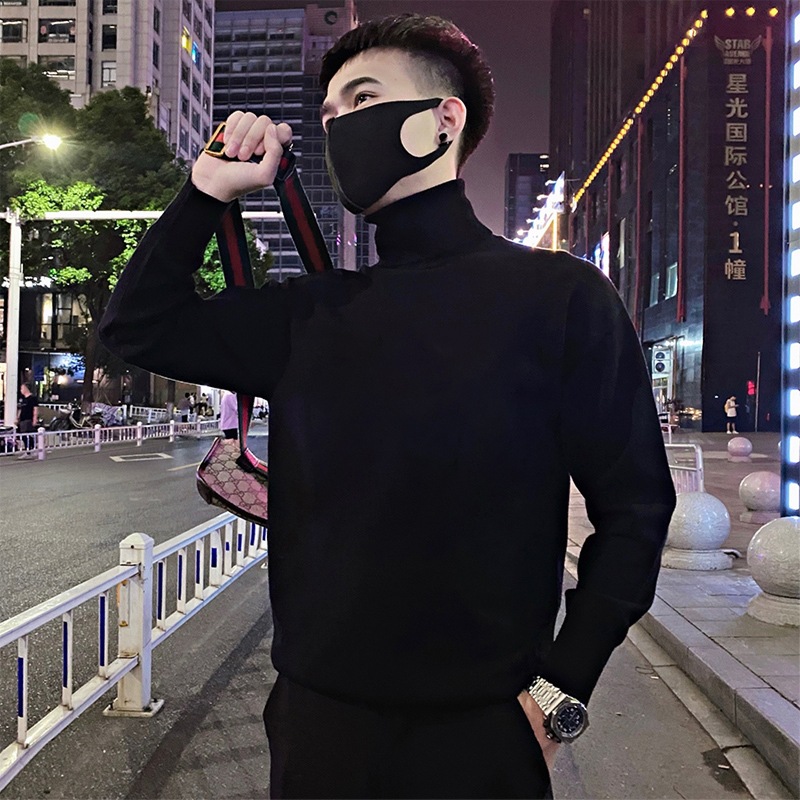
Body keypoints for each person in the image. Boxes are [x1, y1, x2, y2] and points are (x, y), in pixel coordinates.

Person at [99, 13, 676, 799]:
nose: (338, 125)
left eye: (364, 99)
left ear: (445, 118)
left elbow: (637, 507)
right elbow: (136, 326)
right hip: (317, 730)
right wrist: (206, 191)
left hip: (485, 737)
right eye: (328, 113)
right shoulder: (310, 313)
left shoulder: (561, 298)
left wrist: (564, 687)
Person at [16, 383, 39, 458]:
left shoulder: (32, 398)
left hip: (28, 419)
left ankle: (30, 450)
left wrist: (35, 419)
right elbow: (20, 409)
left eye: (22, 388)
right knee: (23, 436)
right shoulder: (22, 399)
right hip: (22, 419)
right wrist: (17, 418)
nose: (21, 390)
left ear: (26, 388)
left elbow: (35, 409)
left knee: (27, 435)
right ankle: (30, 450)